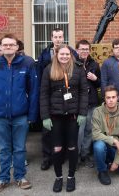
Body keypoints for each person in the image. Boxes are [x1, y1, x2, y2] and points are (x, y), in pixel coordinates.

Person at [40, 44, 88, 193]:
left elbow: (83, 92)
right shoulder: (49, 69)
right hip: (55, 116)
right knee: (57, 148)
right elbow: (44, 94)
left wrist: (82, 113)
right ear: (56, 54)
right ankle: (59, 177)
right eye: (62, 54)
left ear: (71, 55)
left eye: (67, 54)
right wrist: (45, 116)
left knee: (73, 147)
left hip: (73, 116)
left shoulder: (78, 69)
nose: (65, 57)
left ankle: (71, 176)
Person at [0, 34, 39, 193]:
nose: (8, 47)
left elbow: (33, 90)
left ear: (17, 47)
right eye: (5, 45)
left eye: (11, 45)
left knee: (20, 148)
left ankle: (20, 177)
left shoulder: (27, 63)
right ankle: (3, 179)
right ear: (0, 47)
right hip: (0, 115)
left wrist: (32, 115)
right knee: (4, 149)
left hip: (20, 115)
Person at [37, 27, 77, 171]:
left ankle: (64, 156)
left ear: (63, 37)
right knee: (48, 131)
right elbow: (41, 72)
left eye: (60, 37)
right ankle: (48, 157)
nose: (58, 39)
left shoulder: (71, 52)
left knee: (65, 130)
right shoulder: (45, 54)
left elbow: (76, 70)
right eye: (55, 37)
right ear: (51, 38)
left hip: (67, 97)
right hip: (51, 96)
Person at [92, 85, 119, 185]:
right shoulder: (97, 112)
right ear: (104, 98)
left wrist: (116, 162)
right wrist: (114, 140)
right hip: (103, 143)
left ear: (118, 98)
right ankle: (102, 170)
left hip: (117, 148)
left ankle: (109, 161)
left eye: (113, 97)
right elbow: (95, 134)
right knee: (99, 146)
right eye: (108, 97)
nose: (111, 100)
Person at [76, 39, 101, 168]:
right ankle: (76, 156)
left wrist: (95, 79)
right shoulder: (73, 64)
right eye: (82, 49)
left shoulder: (94, 65)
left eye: (86, 49)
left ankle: (85, 154)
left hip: (92, 102)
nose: (84, 51)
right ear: (77, 50)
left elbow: (100, 83)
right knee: (78, 132)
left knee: (89, 131)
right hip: (79, 105)